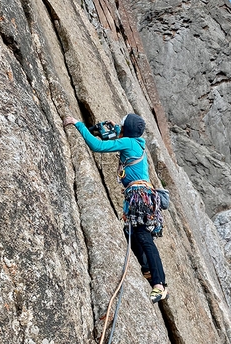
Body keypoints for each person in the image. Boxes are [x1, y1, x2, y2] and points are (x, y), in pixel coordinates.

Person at [63, 113, 168, 303]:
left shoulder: (128, 143)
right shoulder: (137, 142)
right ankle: (147, 270)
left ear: (128, 129)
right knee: (133, 232)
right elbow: (125, 135)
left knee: (143, 236)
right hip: (142, 195)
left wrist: (78, 124)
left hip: (138, 196)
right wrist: (117, 129)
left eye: (122, 126)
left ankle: (159, 284)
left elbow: (98, 146)